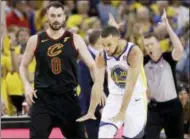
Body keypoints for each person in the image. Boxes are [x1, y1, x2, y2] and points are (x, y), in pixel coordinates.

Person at [19, 1, 103, 139]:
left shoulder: (75, 39)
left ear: (64, 17)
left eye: (59, 15)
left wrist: (98, 87)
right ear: (47, 16)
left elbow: (93, 66)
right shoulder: (36, 39)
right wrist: (27, 85)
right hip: (43, 98)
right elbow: (23, 65)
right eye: (52, 15)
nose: (56, 19)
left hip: (68, 97)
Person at [77, 25, 148, 138]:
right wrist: (91, 111)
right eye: (103, 45)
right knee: (104, 133)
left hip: (135, 97)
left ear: (118, 39)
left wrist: (122, 112)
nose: (106, 48)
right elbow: (98, 84)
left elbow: (130, 86)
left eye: (109, 44)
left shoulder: (133, 52)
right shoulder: (101, 55)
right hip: (115, 97)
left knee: (132, 136)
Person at [143, 10, 184, 139]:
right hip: (155, 108)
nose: (149, 47)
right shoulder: (143, 62)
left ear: (158, 44)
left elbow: (179, 49)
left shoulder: (168, 58)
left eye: (151, 44)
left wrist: (167, 27)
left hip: (173, 107)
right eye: (146, 45)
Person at [78, 30, 109, 138]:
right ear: (98, 42)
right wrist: (99, 107)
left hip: (107, 105)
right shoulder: (84, 59)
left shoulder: (105, 55)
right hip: (91, 108)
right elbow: (86, 87)